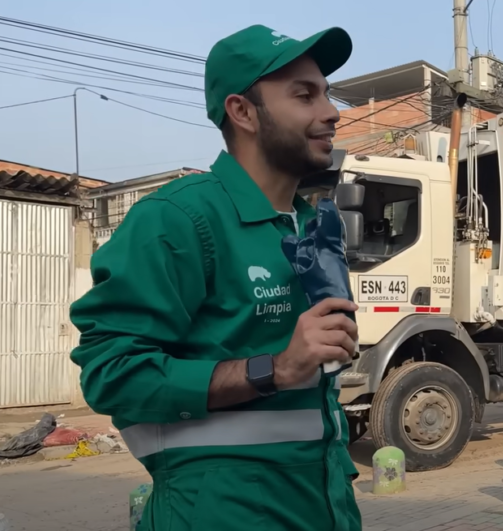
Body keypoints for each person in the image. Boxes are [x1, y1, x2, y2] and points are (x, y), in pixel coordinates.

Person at [70, 24, 361, 531]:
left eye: (328, 93)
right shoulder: (178, 221)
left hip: (321, 507)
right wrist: (273, 368)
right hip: (220, 514)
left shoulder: (310, 226)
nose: (332, 112)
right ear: (242, 112)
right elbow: (112, 375)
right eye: (305, 95)